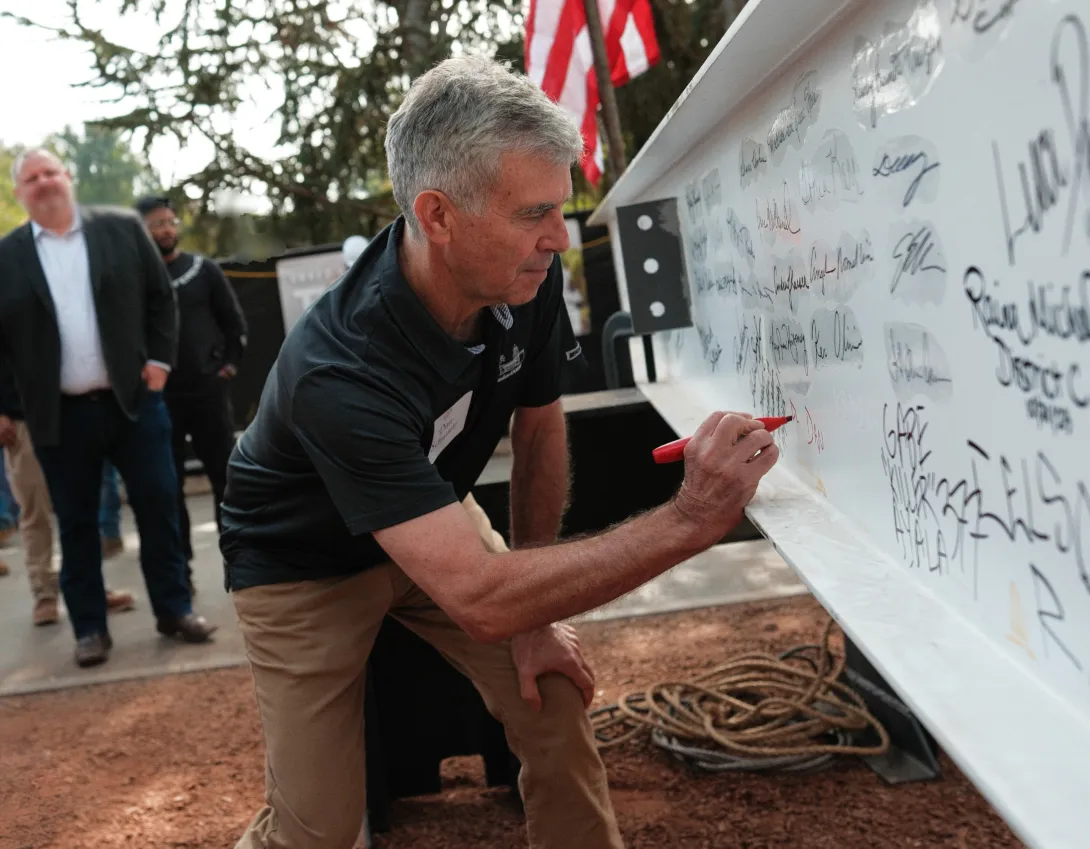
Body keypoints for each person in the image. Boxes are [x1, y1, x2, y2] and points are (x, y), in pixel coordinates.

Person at [220, 57, 778, 849]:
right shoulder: (339, 370)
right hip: (303, 565)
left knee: (552, 694)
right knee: (316, 830)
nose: (559, 237)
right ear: (438, 215)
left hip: (432, 522)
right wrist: (691, 518)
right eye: (532, 213)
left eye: (560, 208)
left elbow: (540, 428)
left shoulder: (525, 274)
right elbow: (481, 596)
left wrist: (537, 614)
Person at [0, 148, 217, 668]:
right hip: (58, 415)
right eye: (32, 178)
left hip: (135, 404)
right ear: (19, 193)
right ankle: (91, 629)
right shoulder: (7, 257)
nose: (44, 182)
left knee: (159, 506)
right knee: (76, 526)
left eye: (51, 172)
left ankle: (174, 610)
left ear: (67, 177)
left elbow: (160, 298)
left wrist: (161, 361)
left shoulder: (121, 228)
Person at [134, 195, 247, 585]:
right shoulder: (136, 280)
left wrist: (225, 371)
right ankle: (179, 573)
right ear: (141, 231)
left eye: (170, 221)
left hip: (208, 394)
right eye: (156, 224)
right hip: (159, 401)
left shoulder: (204, 270)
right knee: (167, 487)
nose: (166, 230)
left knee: (226, 481)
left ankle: (239, 562)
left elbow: (235, 326)